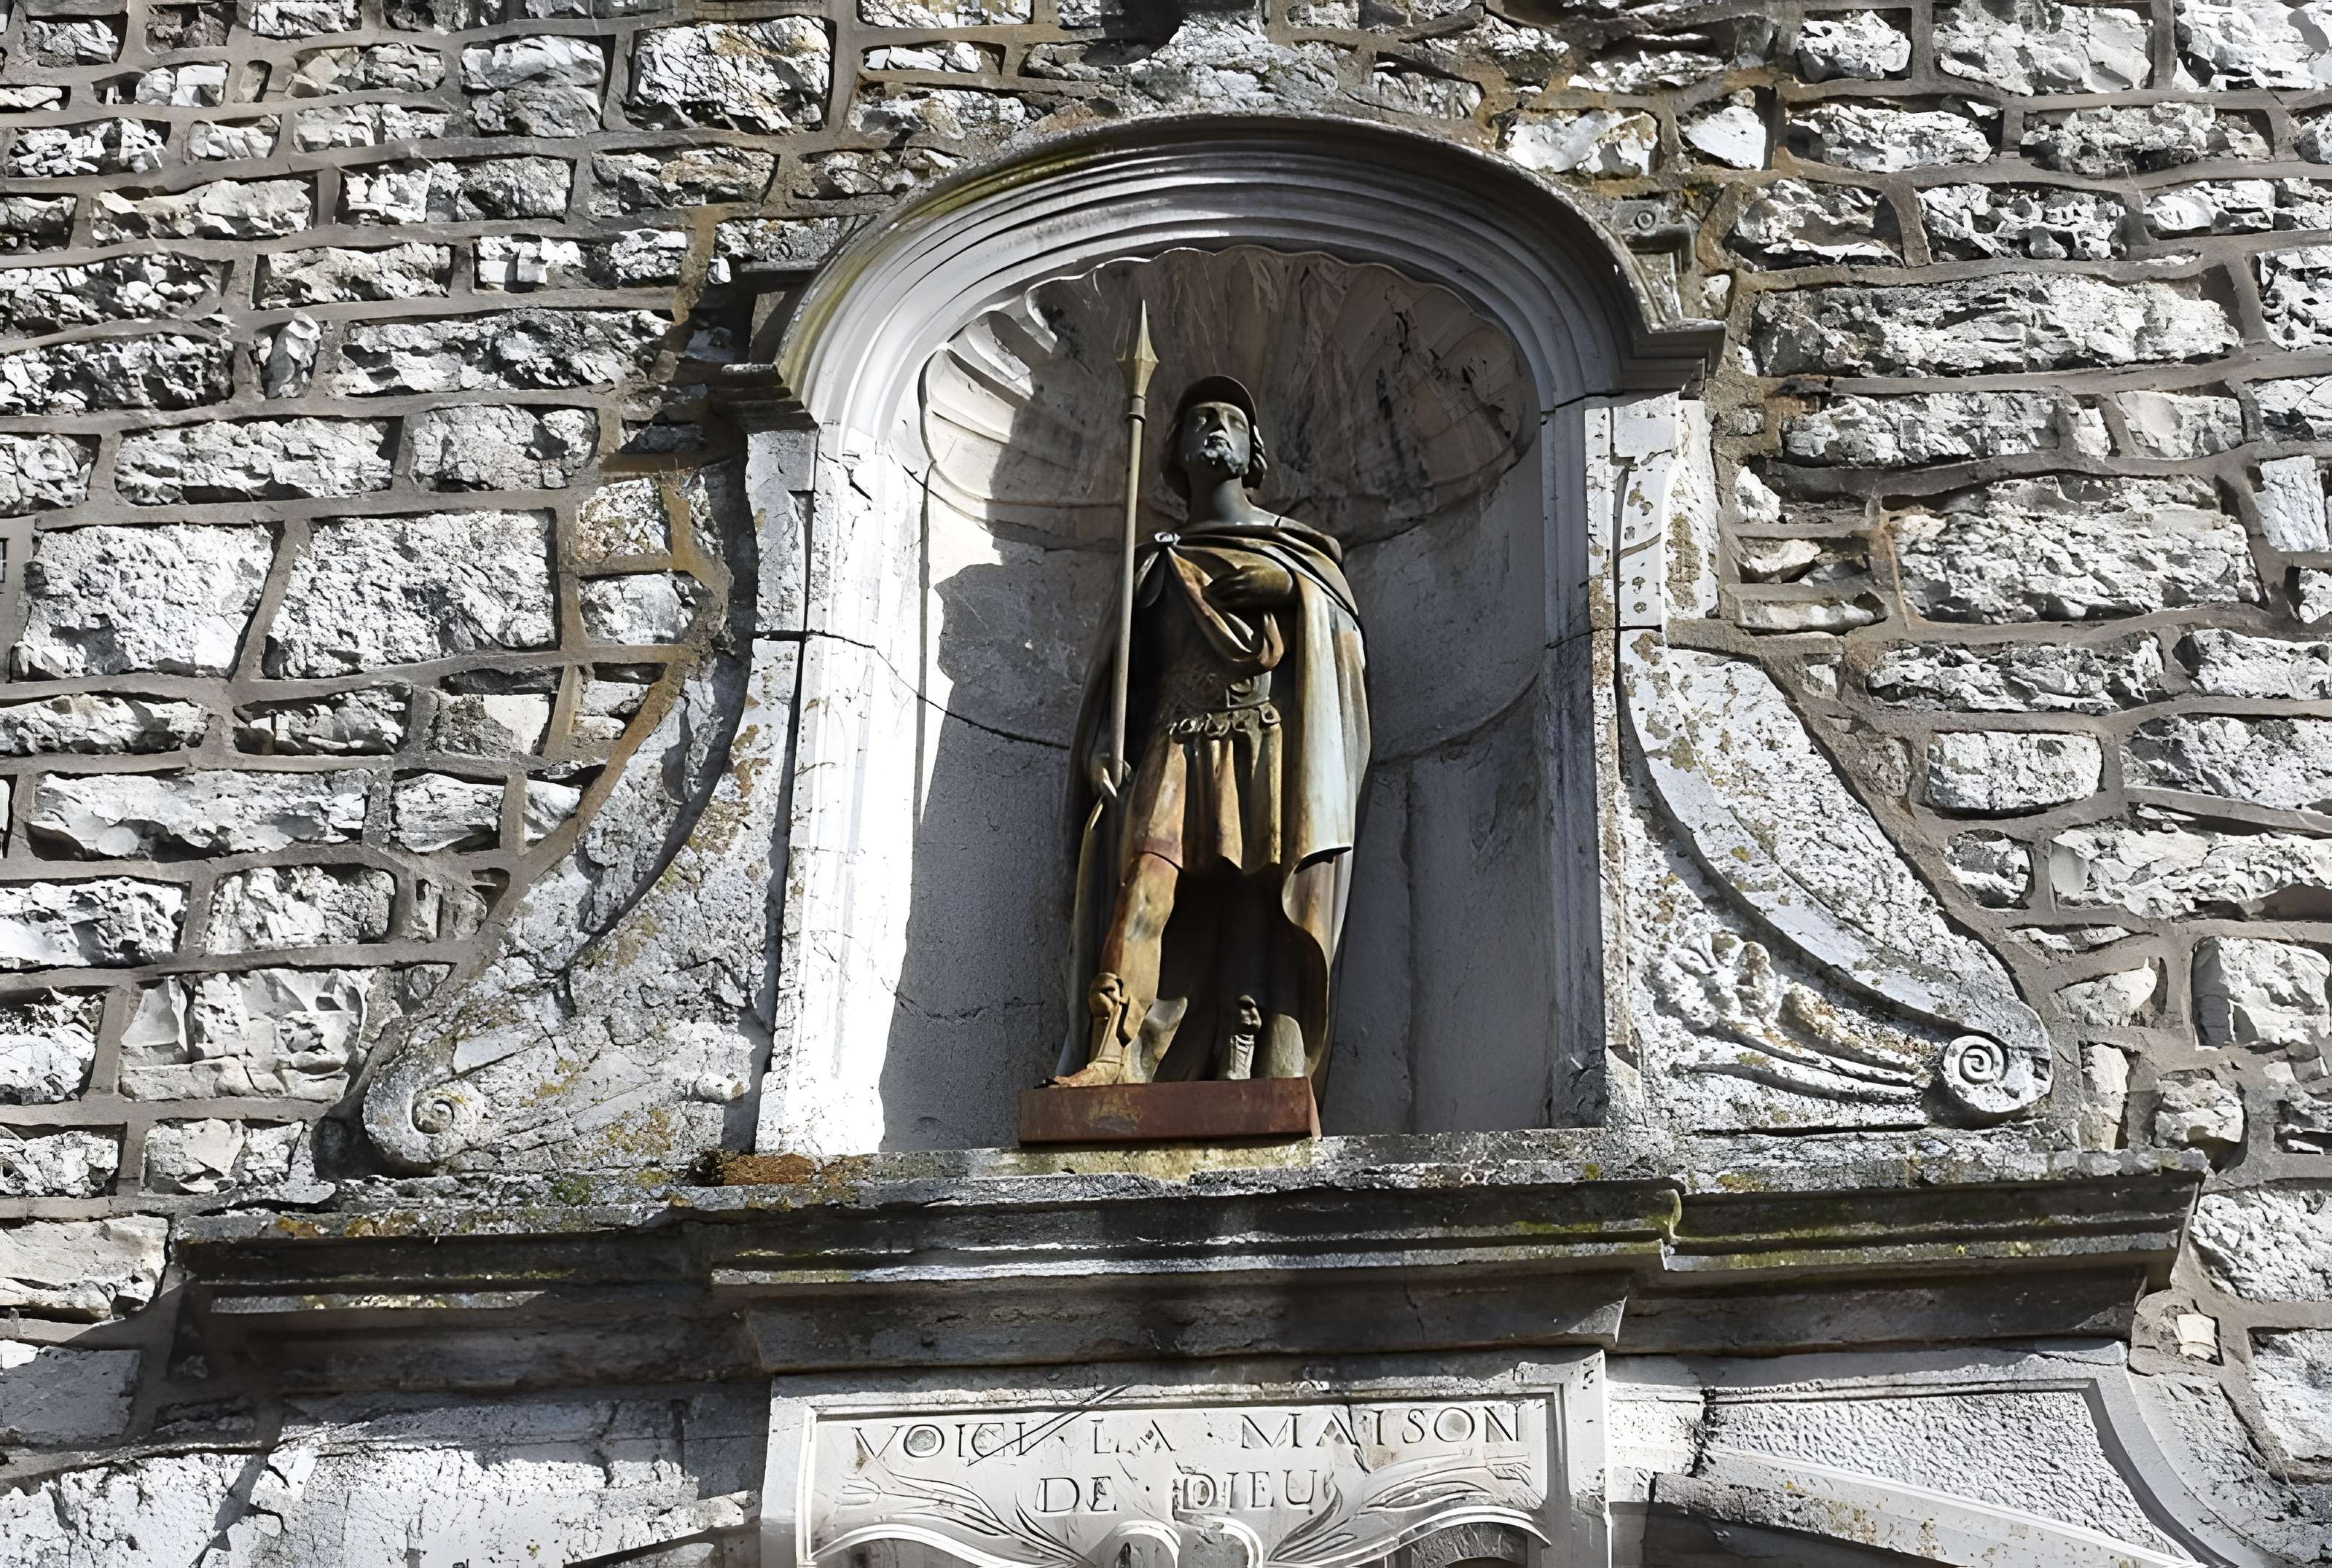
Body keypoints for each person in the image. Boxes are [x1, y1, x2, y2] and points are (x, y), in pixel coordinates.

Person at [1056, 375, 1370, 1089]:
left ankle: (1251, 1062)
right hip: (1173, 740)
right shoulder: (1154, 562)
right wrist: (1103, 745)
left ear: (1252, 451)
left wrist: (1291, 592)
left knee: (1257, 894)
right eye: (1197, 418)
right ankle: (1109, 1054)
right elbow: (1123, 678)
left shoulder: (1298, 551)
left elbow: (1342, 645)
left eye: (1228, 418)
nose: (1213, 427)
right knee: (1143, 885)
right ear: (1171, 449)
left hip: (1262, 736)